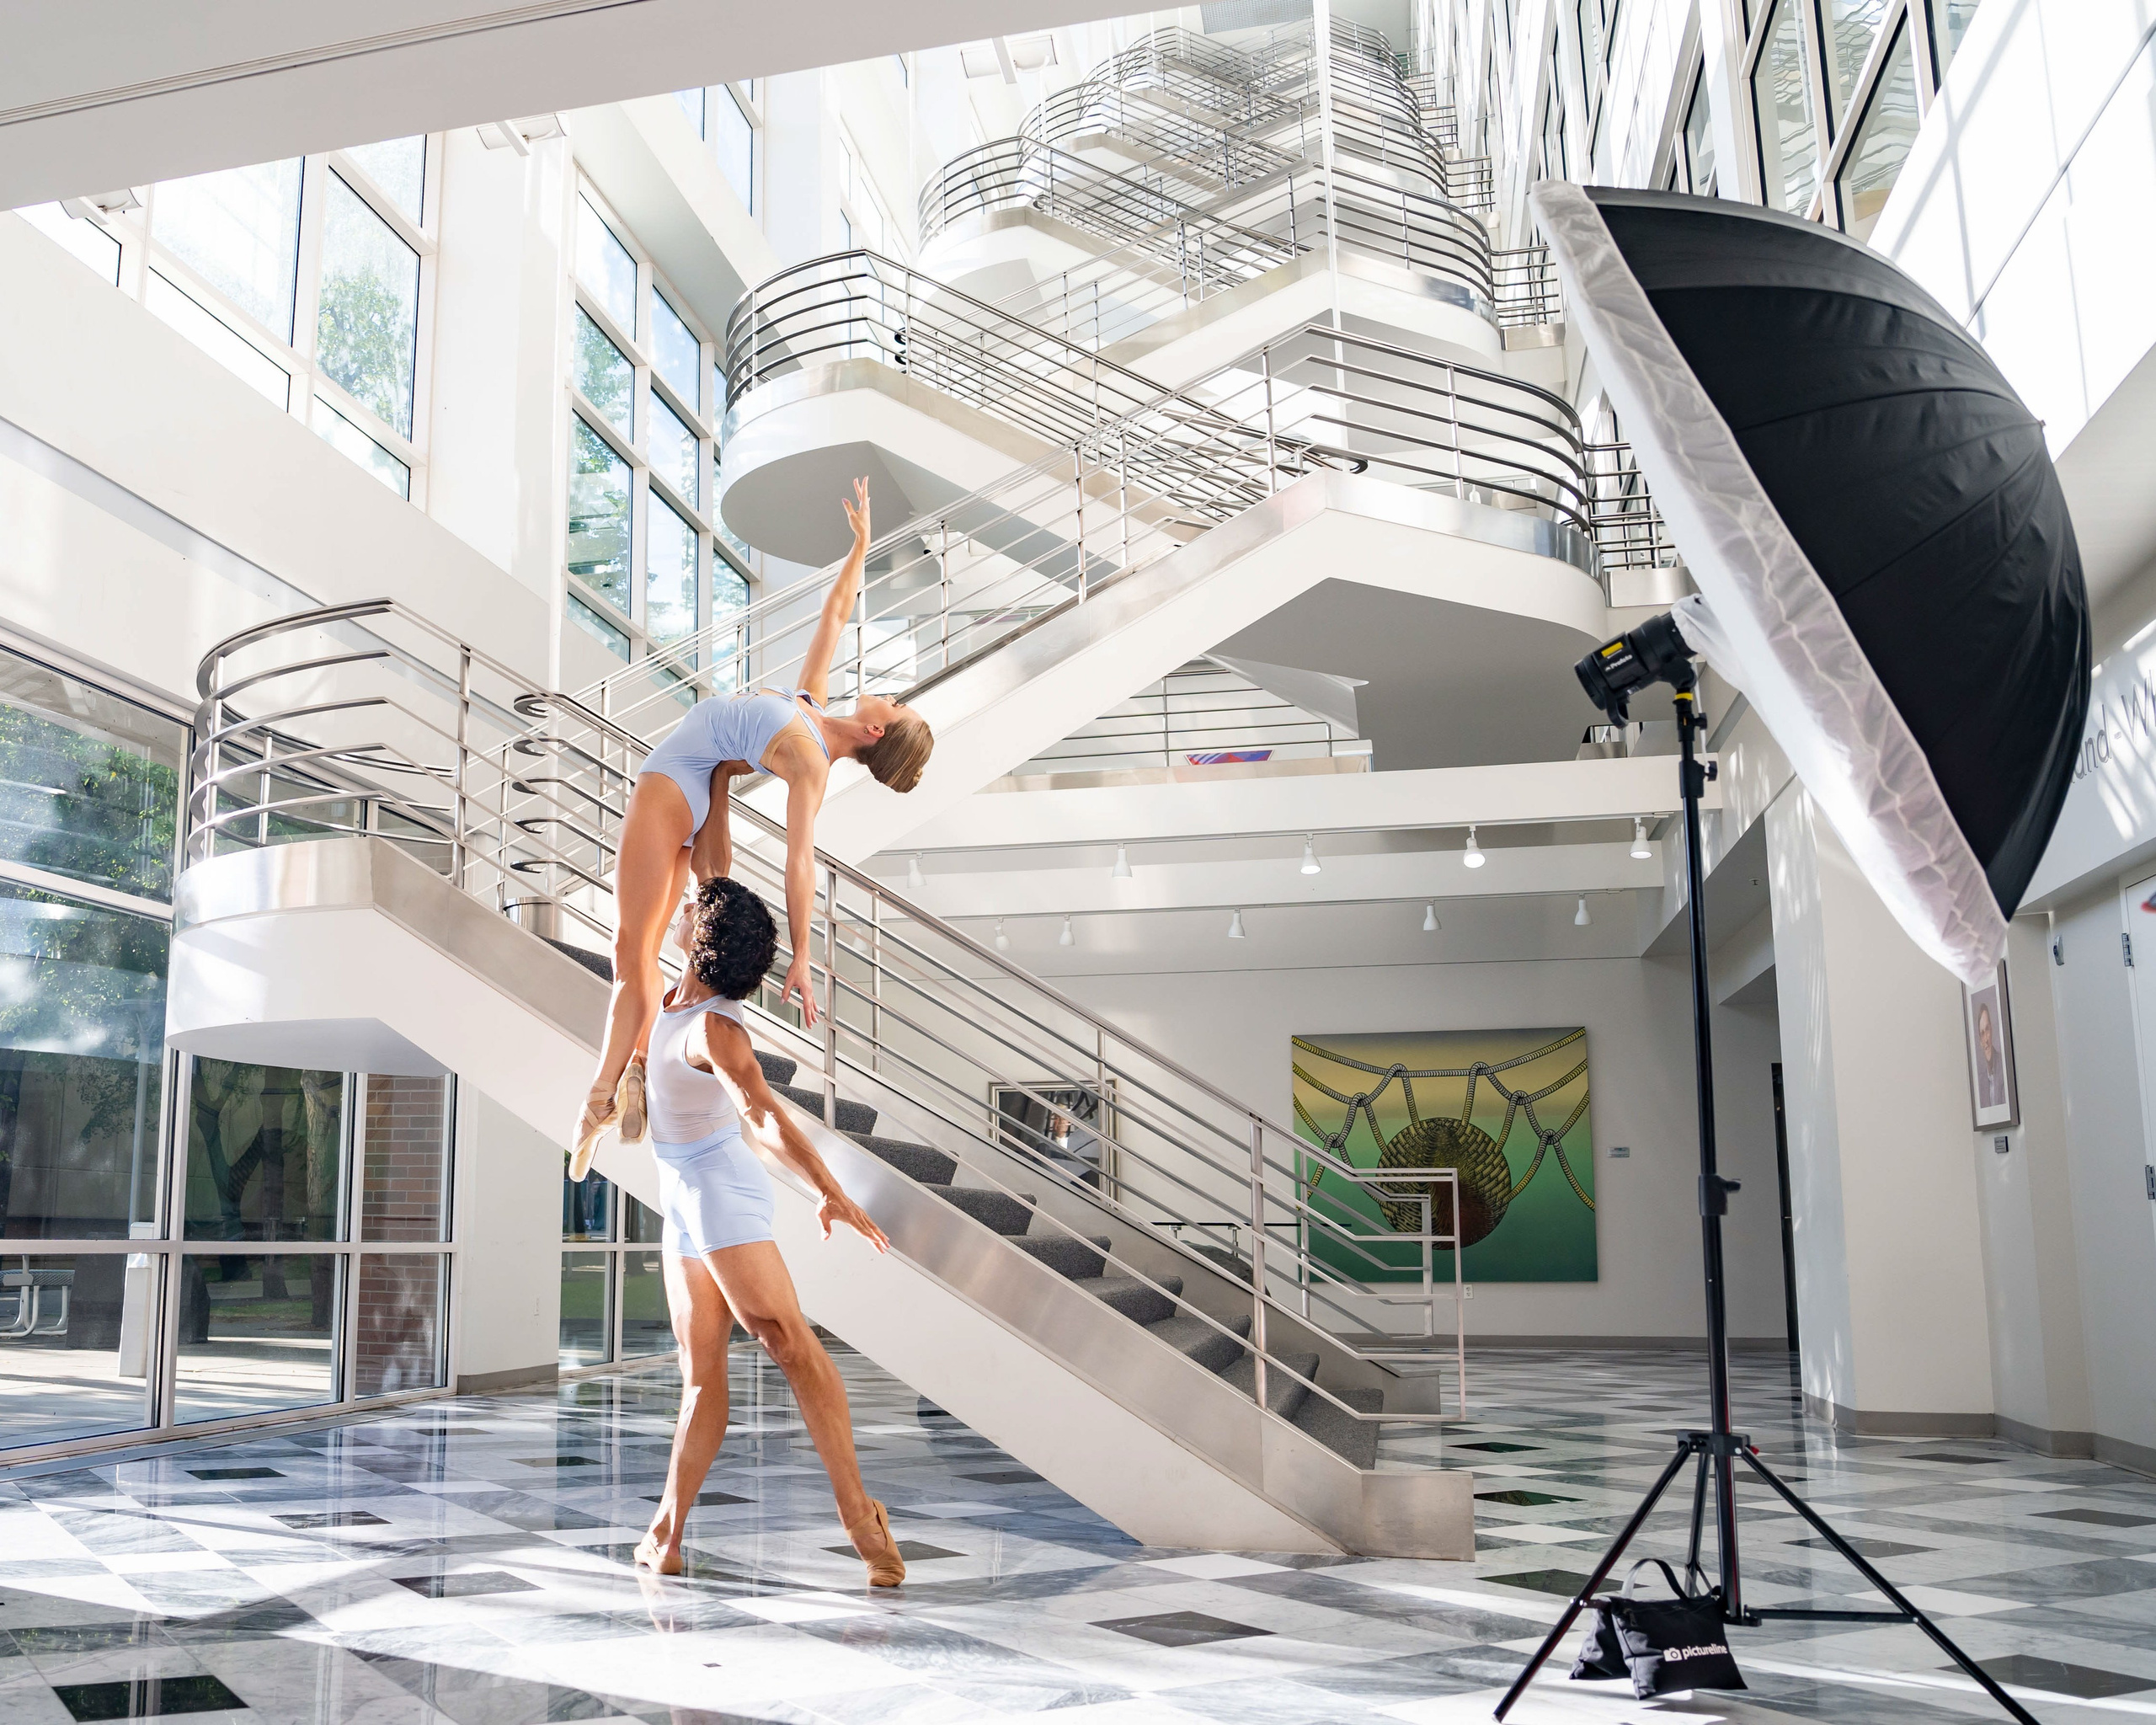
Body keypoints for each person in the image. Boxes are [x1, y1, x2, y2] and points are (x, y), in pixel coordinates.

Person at [575, 478, 933, 1167]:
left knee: (631, 952)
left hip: (672, 785)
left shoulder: (809, 759)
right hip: (699, 792)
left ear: (875, 726)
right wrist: (860, 547)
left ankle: (602, 1095)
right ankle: (640, 1070)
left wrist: (801, 954)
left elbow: (802, 859)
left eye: (897, 703)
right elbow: (833, 617)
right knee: (646, 953)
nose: (890, 692)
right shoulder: (811, 711)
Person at [633, 874, 906, 1586]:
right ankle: (665, 1531)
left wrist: (829, 1190)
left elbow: (759, 1113)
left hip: (721, 1190)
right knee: (701, 1380)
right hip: (682, 1200)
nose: (680, 906)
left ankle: (859, 1517)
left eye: (691, 907)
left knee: (785, 1341)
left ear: (703, 936)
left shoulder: (713, 1026)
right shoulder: (667, 999)